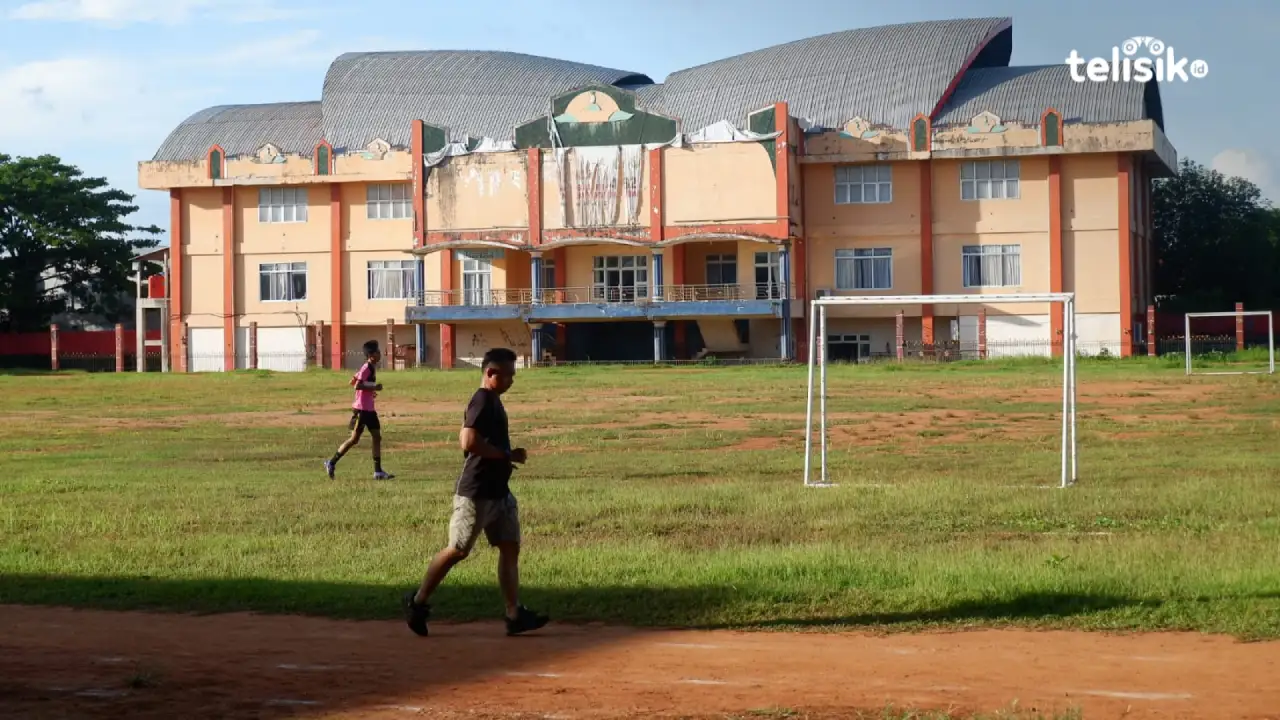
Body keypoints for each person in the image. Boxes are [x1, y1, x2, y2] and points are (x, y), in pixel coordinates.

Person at [402, 347, 549, 637]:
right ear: (490, 373)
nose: (511, 381)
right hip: (477, 492)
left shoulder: (491, 400)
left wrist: (507, 456)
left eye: (513, 375)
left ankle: (513, 613)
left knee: (509, 547)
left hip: (498, 491)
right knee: (458, 550)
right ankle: (417, 602)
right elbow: (467, 441)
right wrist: (504, 455)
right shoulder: (482, 399)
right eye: (507, 375)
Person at [324, 340, 394, 481]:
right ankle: (331, 462)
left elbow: (353, 380)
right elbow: (357, 386)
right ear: (371, 355)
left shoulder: (370, 367)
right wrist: (374, 388)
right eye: (378, 352)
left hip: (369, 409)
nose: (380, 354)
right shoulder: (366, 368)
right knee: (354, 439)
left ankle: (378, 471)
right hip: (362, 410)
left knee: (376, 436)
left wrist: (369, 390)